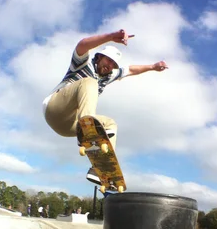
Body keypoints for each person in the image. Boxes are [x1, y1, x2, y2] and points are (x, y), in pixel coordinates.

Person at [43, 29, 168, 186]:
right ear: (99, 57)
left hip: (68, 126)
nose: (109, 66)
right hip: (54, 108)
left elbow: (130, 70)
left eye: (112, 64)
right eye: (107, 61)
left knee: (110, 124)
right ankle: (87, 128)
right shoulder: (82, 64)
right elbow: (82, 45)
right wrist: (110, 37)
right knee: (90, 82)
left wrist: (153, 66)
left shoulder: (109, 76)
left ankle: (102, 168)